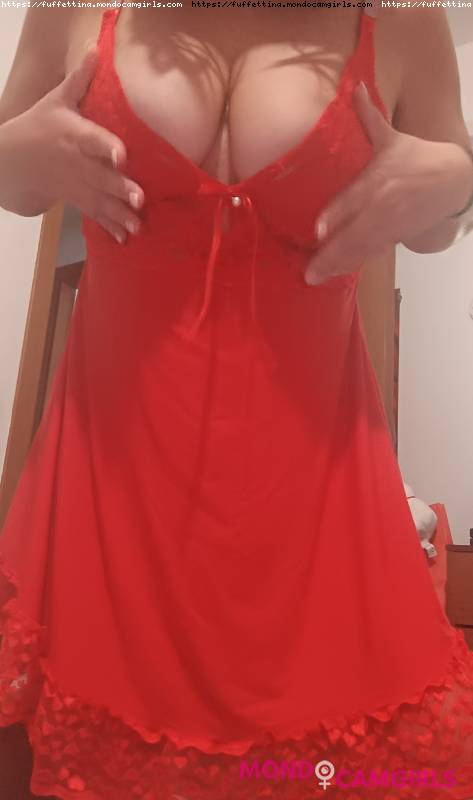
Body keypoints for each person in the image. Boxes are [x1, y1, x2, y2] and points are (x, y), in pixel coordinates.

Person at [1, 2, 473, 799]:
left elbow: (433, 226)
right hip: (110, 488)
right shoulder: (71, 4)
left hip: (314, 505)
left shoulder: (402, 18)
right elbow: (15, 188)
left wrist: (461, 182)